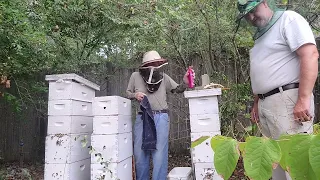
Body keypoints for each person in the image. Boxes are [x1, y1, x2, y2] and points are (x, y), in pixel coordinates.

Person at [236, 0, 319, 179]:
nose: (251, 17)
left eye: (253, 10)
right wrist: (257, 102)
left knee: (294, 164)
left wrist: (303, 98)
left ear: (265, 2)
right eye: (246, 15)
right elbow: (264, 72)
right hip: (267, 104)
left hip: (289, 101)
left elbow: (310, 54)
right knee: (276, 165)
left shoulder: (289, 19)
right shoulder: (260, 36)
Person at [126, 50, 191, 180]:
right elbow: (128, 93)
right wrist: (135, 95)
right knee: (140, 153)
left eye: (156, 63)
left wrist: (185, 82)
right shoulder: (135, 76)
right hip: (142, 117)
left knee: (159, 154)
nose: (154, 66)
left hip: (161, 117)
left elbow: (177, 89)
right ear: (145, 65)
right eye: (152, 63)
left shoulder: (164, 77)